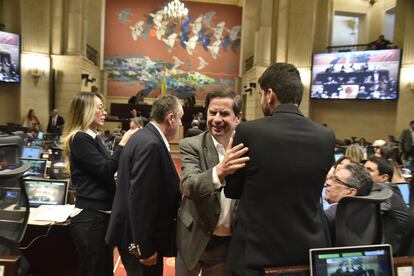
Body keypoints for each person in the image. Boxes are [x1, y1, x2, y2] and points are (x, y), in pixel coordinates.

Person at [224, 63, 336, 274]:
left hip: (255, 253)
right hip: (305, 250)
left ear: (270, 94)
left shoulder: (249, 131)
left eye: (260, 94)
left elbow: (233, 190)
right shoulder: (326, 136)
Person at [106, 95, 183, 276]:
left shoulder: (141, 136)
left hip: (131, 235)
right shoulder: (151, 144)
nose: (180, 124)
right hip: (139, 240)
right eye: (179, 118)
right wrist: (145, 248)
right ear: (170, 118)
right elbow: (142, 200)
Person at [63, 92, 136, 276]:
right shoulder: (80, 138)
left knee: (103, 270)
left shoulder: (93, 136)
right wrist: (123, 143)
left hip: (100, 216)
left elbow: (102, 172)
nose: (104, 112)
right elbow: (105, 169)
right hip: (91, 218)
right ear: (87, 110)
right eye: (100, 108)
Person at [176, 90, 249, 276]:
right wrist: (221, 170)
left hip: (228, 244)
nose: (216, 119)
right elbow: (188, 185)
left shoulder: (248, 149)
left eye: (224, 113)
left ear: (238, 118)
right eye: (212, 112)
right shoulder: (191, 144)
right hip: (193, 238)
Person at [364, 157, 410, 254]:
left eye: (369, 170)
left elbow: (365, 214)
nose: (364, 172)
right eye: (363, 168)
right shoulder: (389, 188)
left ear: (384, 178)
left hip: (397, 256)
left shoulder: (383, 190)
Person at [324, 163, 373, 242]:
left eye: (336, 180)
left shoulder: (330, 215)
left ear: (350, 192)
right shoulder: (367, 211)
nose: (328, 182)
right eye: (331, 178)